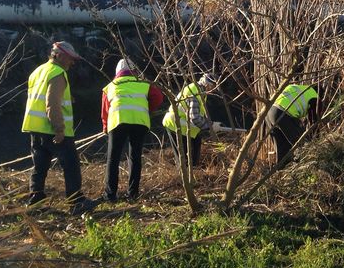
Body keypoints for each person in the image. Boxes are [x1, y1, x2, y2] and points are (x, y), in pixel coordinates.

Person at [21, 41, 97, 216]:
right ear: (60, 55)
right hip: (52, 129)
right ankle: (76, 201)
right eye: (70, 59)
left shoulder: (38, 71)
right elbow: (51, 102)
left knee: (39, 166)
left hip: (35, 127)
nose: (72, 63)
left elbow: (41, 99)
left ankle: (35, 200)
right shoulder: (58, 73)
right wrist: (59, 129)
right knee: (71, 165)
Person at [101, 58, 164, 202]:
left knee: (113, 158)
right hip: (140, 122)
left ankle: (110, 195)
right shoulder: (143, 83)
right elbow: (159, 97)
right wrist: (147, 109)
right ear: (135, 70)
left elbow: (105, 111)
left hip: (118, 122)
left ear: (117, 72)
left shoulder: (110, 86)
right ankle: (133, 194)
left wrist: (105, 126)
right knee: (135, 158)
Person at [162, 73, 225, 167]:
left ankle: (193, 172)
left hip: (185, 126)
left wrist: (210, 124)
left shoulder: (201, 92)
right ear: (208, 84)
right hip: (176, 125)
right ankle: (185, 177)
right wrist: (210, 126)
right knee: (184, 158)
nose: (214, 90)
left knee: (195, 146)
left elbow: (198, 115)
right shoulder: (194, 92)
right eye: (213, 87)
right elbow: (195, 118)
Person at [265, 84, 319, 167]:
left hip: (269, 114)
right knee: (302, 143)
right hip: (282, 113)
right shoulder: (315, 96)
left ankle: (280, 173)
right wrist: (317, 140)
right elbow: (314, 122)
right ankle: (307, 167)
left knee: (282, 150)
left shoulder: (300, 89)